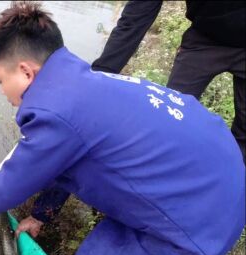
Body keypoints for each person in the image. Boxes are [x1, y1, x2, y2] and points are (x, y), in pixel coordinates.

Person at [0, 0, 245, 255]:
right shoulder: (82, 81)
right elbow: (63, 161)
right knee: (106, 228)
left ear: (26, 71)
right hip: (219, 170)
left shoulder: (53, 111)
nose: (1, 90)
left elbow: (6, 189)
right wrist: (41, 215)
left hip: (201, 227)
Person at [92, 0, 246, 163]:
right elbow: (136, 16)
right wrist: (99, 76)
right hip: (204, 40)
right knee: (168, 119)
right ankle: (156, 175)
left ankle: (236, 180)